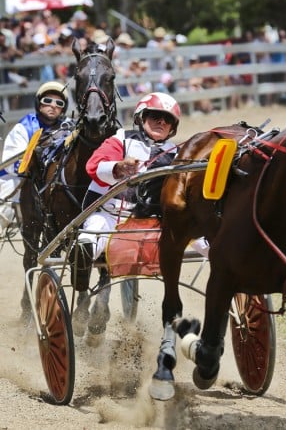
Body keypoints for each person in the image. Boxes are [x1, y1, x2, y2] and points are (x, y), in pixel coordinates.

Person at [69, 92, 209, 339]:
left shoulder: (177, 152)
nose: (161, 122)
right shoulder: (120, 139)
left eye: (167, 120)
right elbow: (94, 165)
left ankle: (228, 263)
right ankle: (82, 268)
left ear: (173, 127)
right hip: (111, 215)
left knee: (201, 237)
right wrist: (118, 167)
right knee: (91, 234)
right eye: (155, 116)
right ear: (141, 117)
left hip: (156, 221)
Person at [0, 81, 74, 252]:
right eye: (47, 101)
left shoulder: (69, 126)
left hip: (54, 179)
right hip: (20, 178)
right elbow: (14, 163)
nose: (53, 106)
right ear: (39, 103)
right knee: (14, 191)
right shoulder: (25, 126)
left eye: (59, 103)